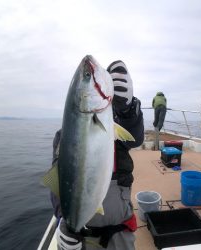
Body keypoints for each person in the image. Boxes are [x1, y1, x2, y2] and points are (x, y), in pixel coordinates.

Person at [51, 60, 144, 250]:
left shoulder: (116, 125)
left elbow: (134, 138)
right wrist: (65, 220)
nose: (91, 73)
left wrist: (127, 109)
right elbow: (58, 182)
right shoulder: (63, 137)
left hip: (119, 230)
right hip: (78, 233)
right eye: (88, 77)